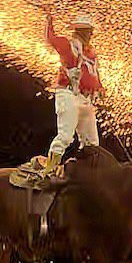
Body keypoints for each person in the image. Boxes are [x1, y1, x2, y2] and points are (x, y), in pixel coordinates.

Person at [34, 12, 104, 178]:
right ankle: (49, 172)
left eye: (90, 31)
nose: (91, 34)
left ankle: (86, 174)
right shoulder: (68, 45)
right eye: (88, 31)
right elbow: (50, 38)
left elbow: (94, 74)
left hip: (86, 99)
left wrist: (99, 88)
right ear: (80, 31)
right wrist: (49, 20)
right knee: (65, 136)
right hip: (68, 94)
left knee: (92, 143)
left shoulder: (91, 53)